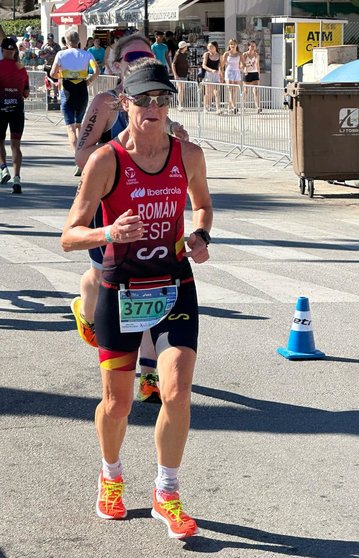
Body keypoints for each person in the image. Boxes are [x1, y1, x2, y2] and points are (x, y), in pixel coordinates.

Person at [61, 58, 213, 537]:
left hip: (173, 283)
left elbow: (203, 204)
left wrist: (201, 234)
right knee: (118, 403)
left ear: (171, 104)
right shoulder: (106, 161)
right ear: (124, 104)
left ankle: (166, 493)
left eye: (162, 99)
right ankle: (111, 475)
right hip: (120, 287)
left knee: (176, 391)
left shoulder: (187, 154)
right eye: (143, 100)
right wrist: (109, 230)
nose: (153, 108)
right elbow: (69, 235)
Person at [74, 31, 189, 403]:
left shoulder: (155, 102)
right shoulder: (107, 102)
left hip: (149, 211)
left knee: (148, 292)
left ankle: (149, 373)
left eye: (144, 54)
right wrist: (113, 161)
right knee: (101, 280)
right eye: (130, 57)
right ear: (116, 64)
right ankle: (87, 310)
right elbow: (81, 154)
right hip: (110, 204)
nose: (138, 61)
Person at [50, 29, 99, 155]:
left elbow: (52, 73)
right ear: (78, 42)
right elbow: (96, 71)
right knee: (79, 126)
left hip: (67, 90)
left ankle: (77, 158)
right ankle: (82, 155)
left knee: (70, 128)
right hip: (82, 90)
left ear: (66, 42)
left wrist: (62, 74)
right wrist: (88, 81)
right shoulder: (87, 54)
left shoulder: (61, 54)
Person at [0, 37, 29, 194]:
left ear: (3, 50)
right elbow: (26, 92)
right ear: (14, 51)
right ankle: (17, 179)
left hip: (1, 108)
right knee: (15, 145)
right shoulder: (21, 68)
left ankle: (3, 168)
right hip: (17, 109)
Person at [221, 39, 244, 114]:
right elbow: (222, 64)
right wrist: (221, 72)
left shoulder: (240, 54)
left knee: (234, 90)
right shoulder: (226, 54)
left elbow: (243, 63)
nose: (232, 46)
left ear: (236, 45)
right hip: (229, 72)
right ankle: (234, 107)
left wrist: (241, 67)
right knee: (230, 89)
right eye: (231, 44)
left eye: (234, 44)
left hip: (236, 71)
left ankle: (229, 107)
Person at [39, 32, 61, 101]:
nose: (50, 40)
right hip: (47, 65)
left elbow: (60, 55)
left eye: (51, 39)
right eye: (49, 39)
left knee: (55, 80)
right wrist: (46, 55)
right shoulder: (44, 46)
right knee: (47, 81)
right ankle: (48, 95)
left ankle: (55, 95)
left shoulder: (57, 46)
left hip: (54, 65)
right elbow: (40, 55)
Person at [202, 41, 222, 113]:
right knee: (208, 92)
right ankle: (205, 106)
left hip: (216, 75)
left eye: (211, 47)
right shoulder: (206, 54)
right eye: (209, 47)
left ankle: (218, 108)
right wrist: (211, 70)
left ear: (215, 47)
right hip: (208, 74)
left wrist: (220, 72)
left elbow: (220, 65)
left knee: (216, 92)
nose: (209, 48)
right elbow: (204, 65)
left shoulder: (219, 55)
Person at [243, 40, 261, 113]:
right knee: (245, 91)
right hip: (247, 73)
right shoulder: (245, 54)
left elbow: (257, 64)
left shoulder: (256, 55)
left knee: (256, 91)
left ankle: (257, 107)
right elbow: (242, 64)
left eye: (254, 46)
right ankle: (243, 105)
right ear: (248, 46)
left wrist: (258, 73)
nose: (253, 47)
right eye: (251, 46)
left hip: (254, 73)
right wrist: (246, 68)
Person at [171, 40, 190, 111]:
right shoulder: (178, 54)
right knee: (180, 89)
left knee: (183, 89)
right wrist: (175, 74)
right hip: (179, 75)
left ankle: (181, 103)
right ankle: (179, 104)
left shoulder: (185, 54)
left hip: (184, 74)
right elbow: (173, 64)